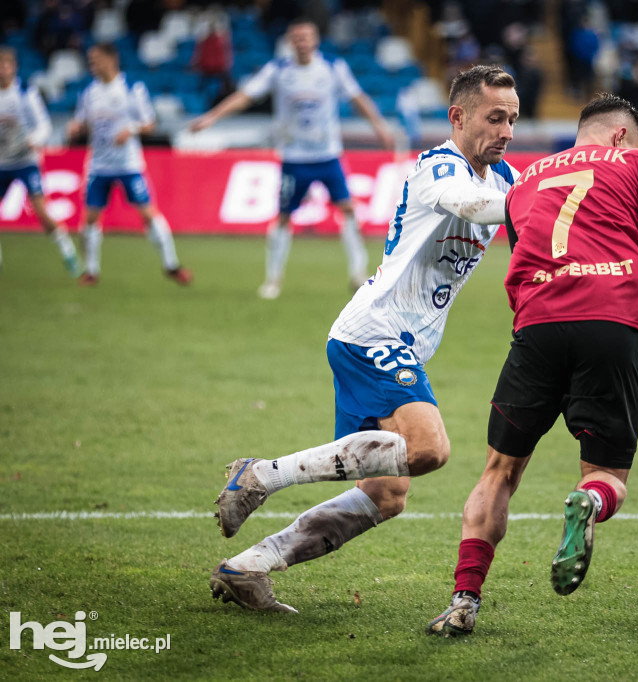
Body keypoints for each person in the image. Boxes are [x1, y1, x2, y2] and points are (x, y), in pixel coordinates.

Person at [208, 65, 520, 614]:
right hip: (375, 331)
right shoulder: (435, 168)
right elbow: (475, 209)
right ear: (458, 117)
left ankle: (249, 566)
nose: (507, 131)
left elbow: (530, 231)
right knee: (430, 449)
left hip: (395, 342)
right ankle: (259, 475)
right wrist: (540, 196)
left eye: (513, 120)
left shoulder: (504, 181)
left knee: (386, 495)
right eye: (495, 118)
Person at [427, 93, 638, 637]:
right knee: (607, 477)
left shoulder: (526, 179)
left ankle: (464, 598)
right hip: (611, 321)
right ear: (622, 136)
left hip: (536, 326)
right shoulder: (635, 162)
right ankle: (589, 499)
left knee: (499, 473)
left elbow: (521, 247)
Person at [190, 19, 395, 299]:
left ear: (315, 40)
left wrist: (379, 126)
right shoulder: (278, 71)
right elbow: (244, 97)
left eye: (306, 37)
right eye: (296, 38)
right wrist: (212, 117)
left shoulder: (333, 68)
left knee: (347, 209)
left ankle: (358, 273)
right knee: (284, 217)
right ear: (290, 42)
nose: (302, 42)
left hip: (327, 155)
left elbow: (357, 98)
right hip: (294, 158)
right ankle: (273, 279)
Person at [66, 43, 191, 287]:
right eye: (90, 60)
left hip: (128, 164)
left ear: (112, 60)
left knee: (147, 213)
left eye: (96, 59)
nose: (92, 64)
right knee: (90, 218)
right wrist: (76, 127)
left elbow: (149, 123)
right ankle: (91, 270)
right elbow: (82, 121)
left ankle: (171, 264)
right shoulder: (89, 92)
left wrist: (130, 130)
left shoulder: (132, 88)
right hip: (98, 166)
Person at [0, 48, 79, 274]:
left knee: (42, 214)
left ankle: (68, 252)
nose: (3, 70)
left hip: (26, 162)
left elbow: (44, 125)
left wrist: (34, 139)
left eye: (7, 65)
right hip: (2, 162)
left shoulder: (25, 94)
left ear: (13, 68)